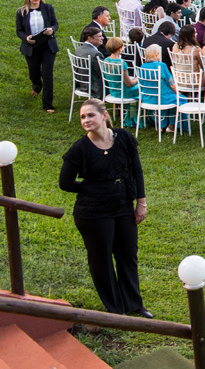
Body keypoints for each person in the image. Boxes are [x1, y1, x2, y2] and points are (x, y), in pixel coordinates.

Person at [59, 99, 150, 317]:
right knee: (102, 261)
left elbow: (136, 171)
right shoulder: (80, 149)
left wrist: (141, 202)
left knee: (128, 254)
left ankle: (134, 305)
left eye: (90, 115)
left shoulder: (124, 138)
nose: (86, 120)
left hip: (122, 206)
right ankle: (116, 310)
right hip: (93, 212)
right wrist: (91, 188)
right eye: (82, 117)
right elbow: (65, 183)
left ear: (104, 115)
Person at [17, 0, 60, 113]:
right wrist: (26, 38)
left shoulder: (47, 8)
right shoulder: (21, 12)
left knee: (47, 75)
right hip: (31, 46)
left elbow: (55, 24)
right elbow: (19, 30)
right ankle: (37, 85)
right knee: (34, 73)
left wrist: (52, 30)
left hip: (47, 45)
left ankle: (48, 104)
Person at [140, 44, 179, 133]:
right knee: (179, 99)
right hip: (161, 97)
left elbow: (141, 83)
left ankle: (161, 125)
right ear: (156, 54)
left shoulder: (143, 66)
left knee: (168, 99)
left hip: (147, 98)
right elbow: (171, 82)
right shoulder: (161, 65)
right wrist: (178, 92)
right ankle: (171, 126)